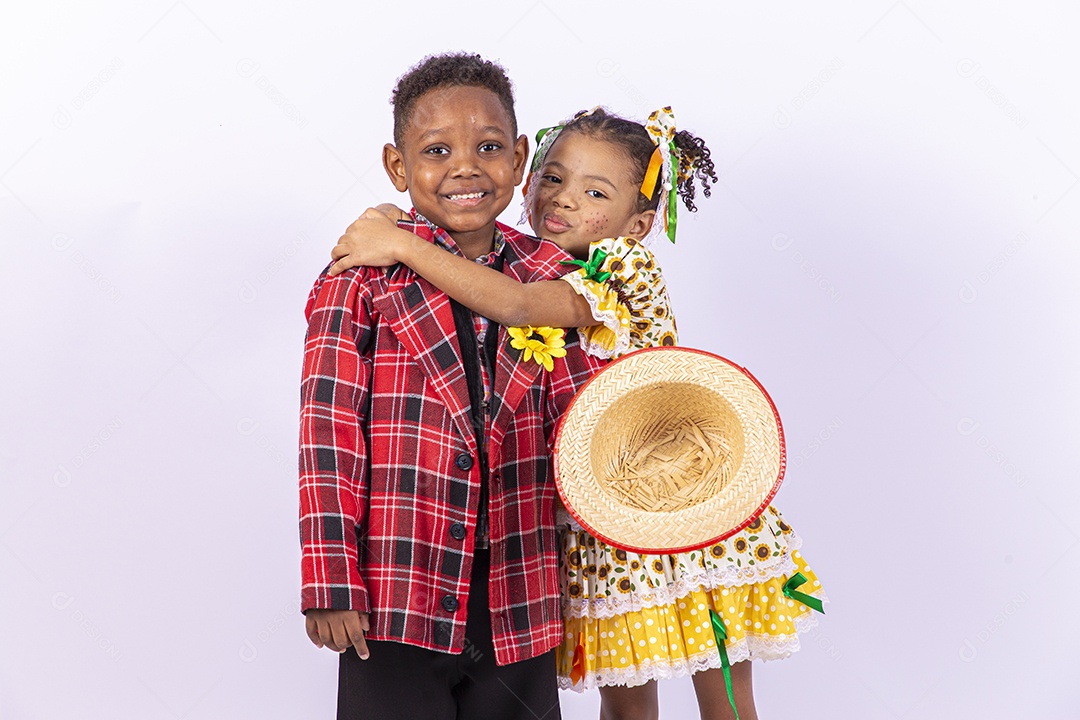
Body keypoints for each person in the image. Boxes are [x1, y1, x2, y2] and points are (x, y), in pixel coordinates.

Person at [330, 106, 827, 720]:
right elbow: (483, 269)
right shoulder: (540, 259)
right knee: (627, 700)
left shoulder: (624, 270)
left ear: (640, 223)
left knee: (722, 697)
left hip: (676, 510)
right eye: (554, 179)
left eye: (595, 192)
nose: (563, 200)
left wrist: (397, 242)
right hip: (600, 522)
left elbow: (511, 305)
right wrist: (388, 217)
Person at [298, 53, 606, 720]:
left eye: (489, 147)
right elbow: (328, 434)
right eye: (437, 150)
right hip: (397, 586)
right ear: (398, 167)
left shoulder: (552, 274)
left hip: (518, 585)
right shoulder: (356, 280)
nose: (466, 166)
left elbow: (589, 417)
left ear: (521, 157)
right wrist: (329, 577)